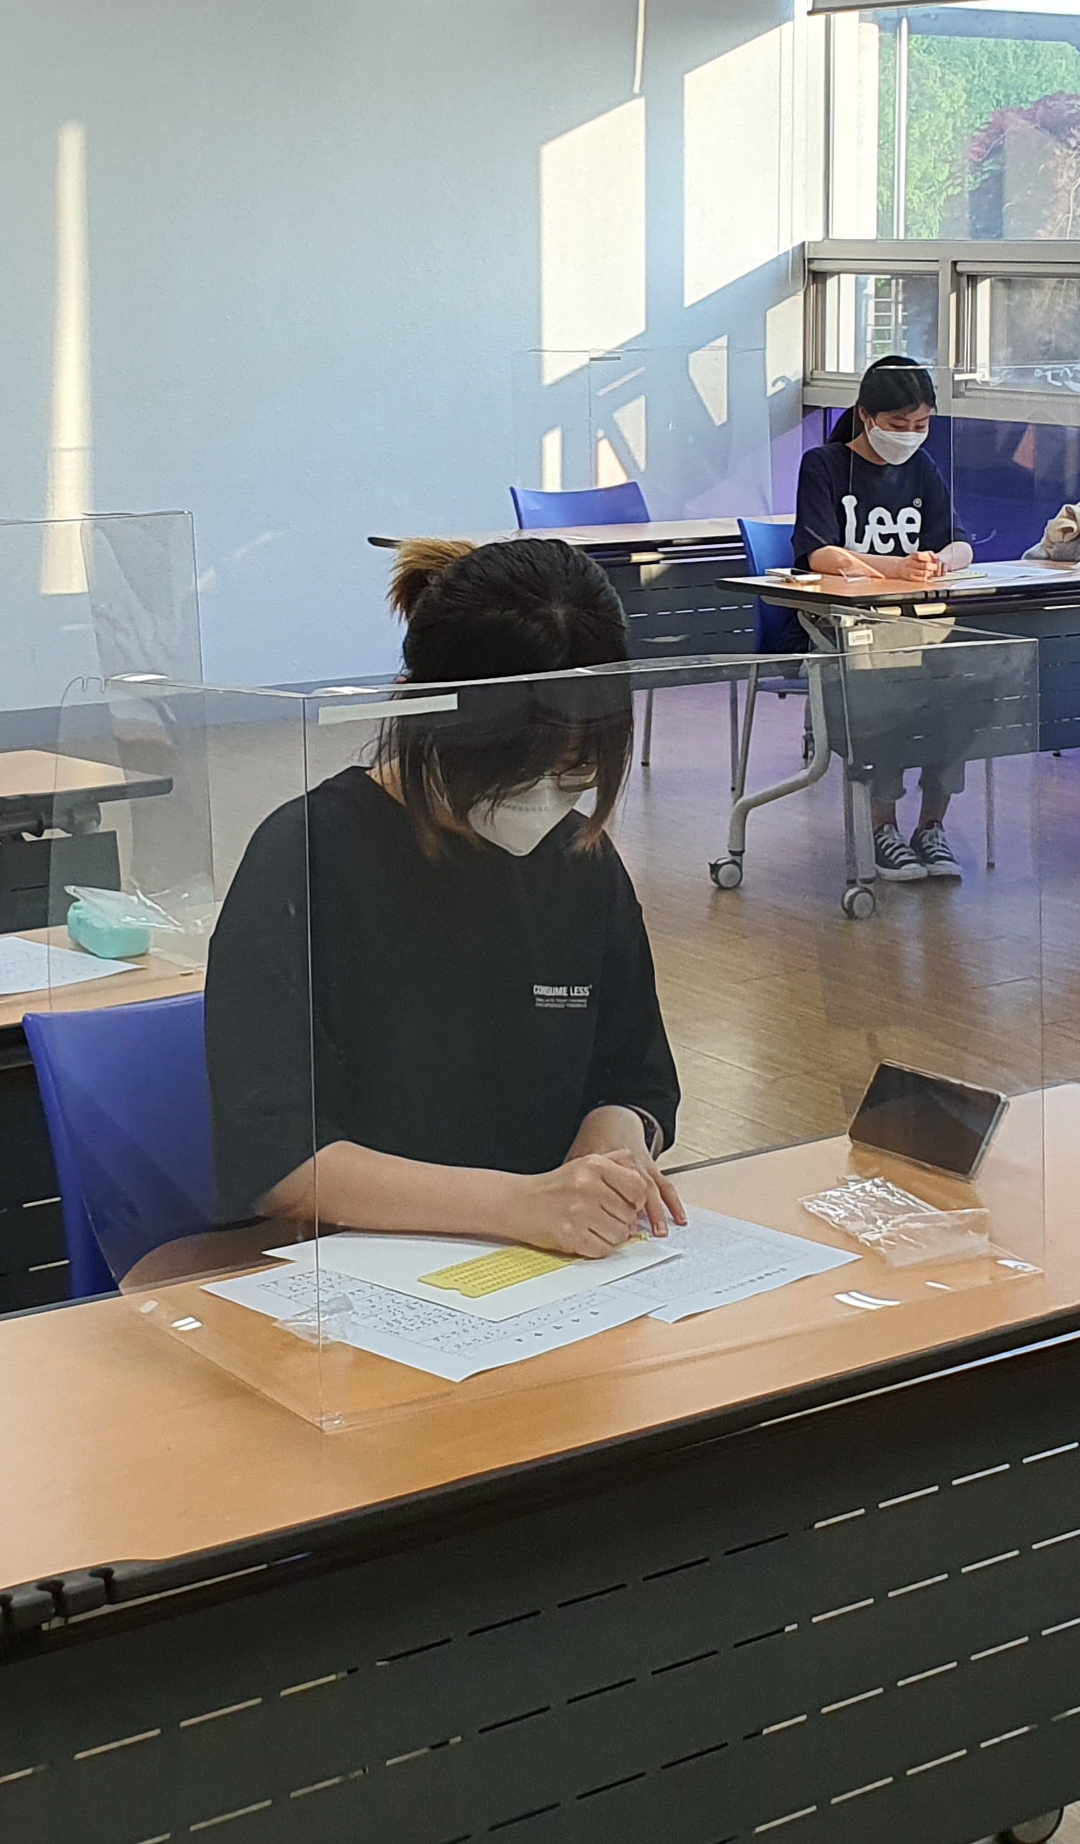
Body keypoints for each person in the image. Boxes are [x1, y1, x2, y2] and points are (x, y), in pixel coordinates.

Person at [208, 536, 685, 1259]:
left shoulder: (579, 859)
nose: (543, 800)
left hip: (544, 1265)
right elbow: (277, 1160)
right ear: (418, 711)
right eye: (512, 773)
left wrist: (614, 1137)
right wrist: (520, 1205)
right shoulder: (308, 857)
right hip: (357, 1265)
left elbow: (637, 1074)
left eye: (575, 774)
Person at [790, 352, 975, 882]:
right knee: (888, 691)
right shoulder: (824, 466)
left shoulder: (923, 468)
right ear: (867, 416)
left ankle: (932, 826)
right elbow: (820, 554)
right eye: (898, 424)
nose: (910, 435)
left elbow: (961, 543)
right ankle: (883, 828)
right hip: (851, 631)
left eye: (921, 425)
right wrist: (895, 568)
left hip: (919, 624)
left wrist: (941, 562)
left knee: (961, 691)